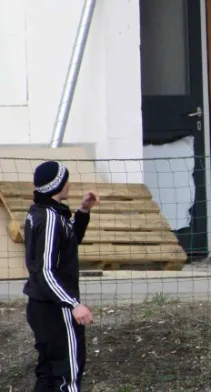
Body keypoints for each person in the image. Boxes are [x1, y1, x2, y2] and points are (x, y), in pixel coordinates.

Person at [23, 160, 99, 391]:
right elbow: (45, 270)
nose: (69, 184)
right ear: (58, 186)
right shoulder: (50, 219)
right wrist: (73, 304)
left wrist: (83, 212)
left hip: (42, 306)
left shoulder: (44, 212)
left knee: (48, 374)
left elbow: (69, 241)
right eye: (66, 180)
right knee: (67, 375)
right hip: (55, 309)